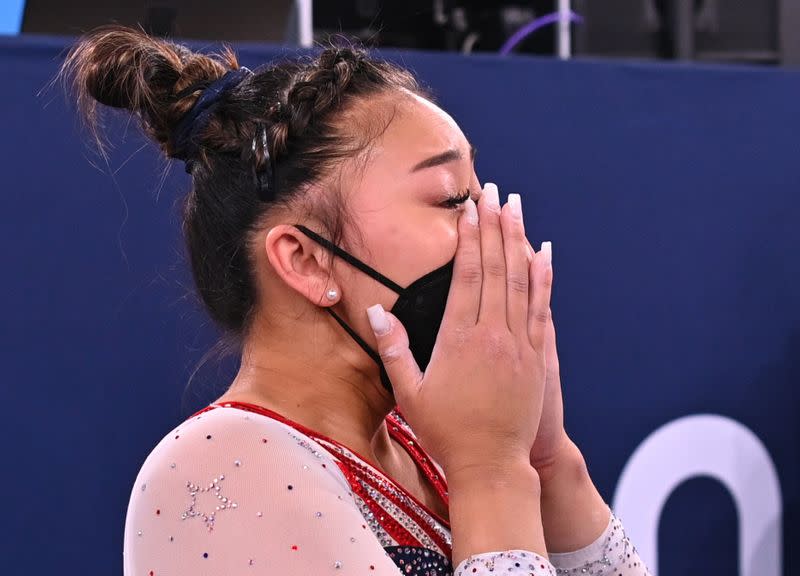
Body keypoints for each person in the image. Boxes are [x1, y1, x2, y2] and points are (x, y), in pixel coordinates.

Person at [62, 25, 651, 576]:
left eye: (481, 194)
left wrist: (547, 461)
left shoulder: (431, 447)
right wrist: (491, 472)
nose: (490, 226)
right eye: (451, 199)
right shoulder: (222, 466)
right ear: (306, 260)